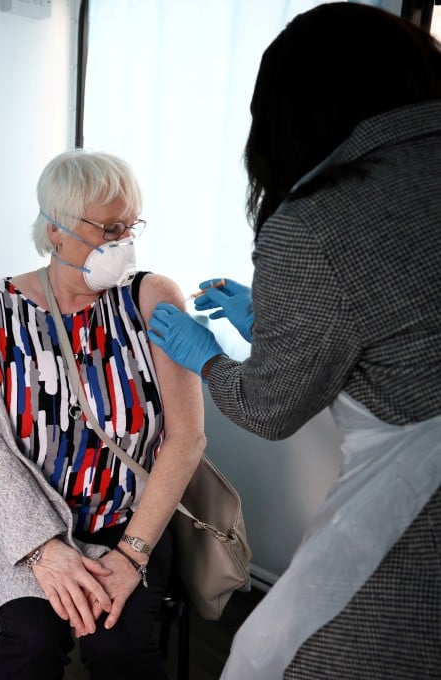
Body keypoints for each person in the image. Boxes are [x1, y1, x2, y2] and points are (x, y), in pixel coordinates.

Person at [146, 5, 441, 678]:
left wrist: (211, 355)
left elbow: (269, 409)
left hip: (419, 508)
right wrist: (276, 319)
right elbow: (401, 322)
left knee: (270, 657)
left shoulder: (323, 221)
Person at [0, 149, 205, 679]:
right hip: (20, 521)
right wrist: (40, 549)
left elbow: (187, 438)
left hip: (128, 524)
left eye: (131, 226)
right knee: (29, 642)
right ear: (55, 232)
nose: (123, 242)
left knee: (118, 649)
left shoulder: (151, 298)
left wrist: (130, 556)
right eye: (109, 228)